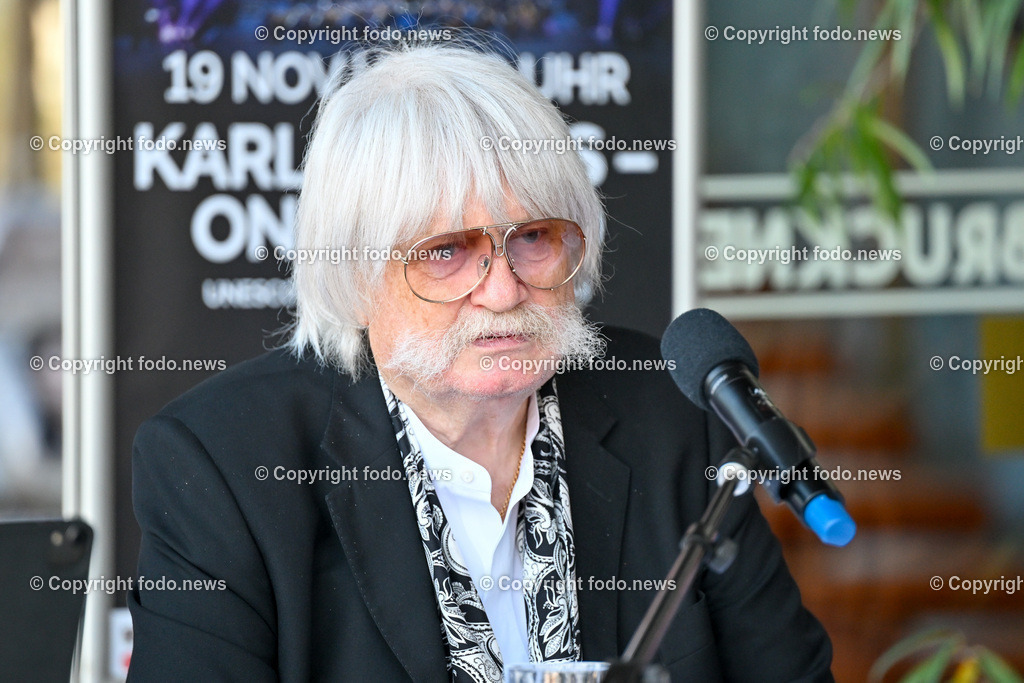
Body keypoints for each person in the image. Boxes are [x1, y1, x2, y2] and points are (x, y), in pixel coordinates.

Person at [127, 39, 833, 682]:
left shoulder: (673, 414)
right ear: (353, 274)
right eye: (445, 251)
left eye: (533, 236)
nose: (501, 290)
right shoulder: (224, 468)